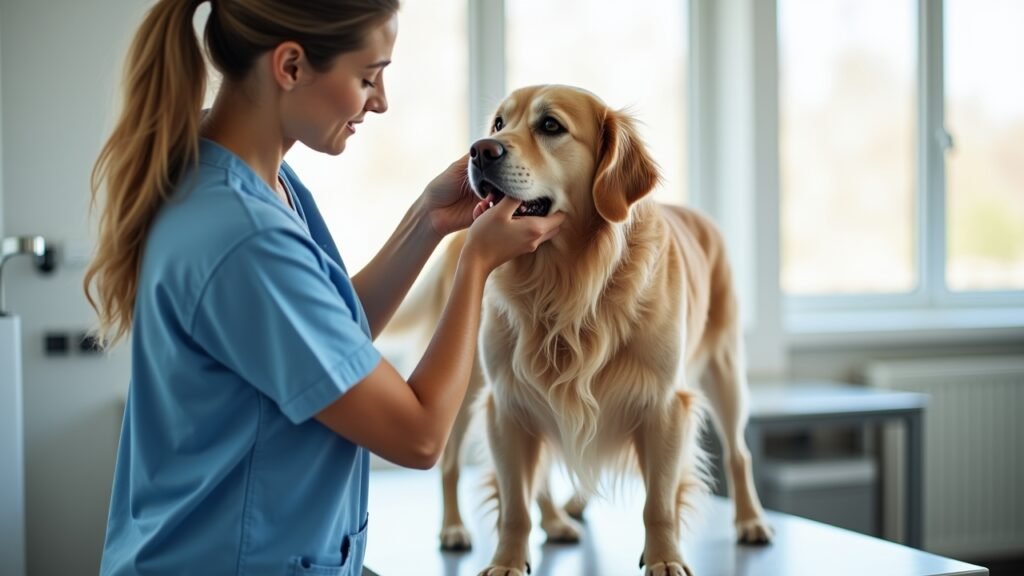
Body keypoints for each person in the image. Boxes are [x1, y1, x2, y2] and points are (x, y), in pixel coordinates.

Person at [84, 0, 565, 574]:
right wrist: (476, 261)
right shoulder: (243, 237)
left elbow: (327, 340)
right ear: (289, 66)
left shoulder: (257, 181)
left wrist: (429, 220)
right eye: (367, 77)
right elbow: (419, 436)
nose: (380, 102)